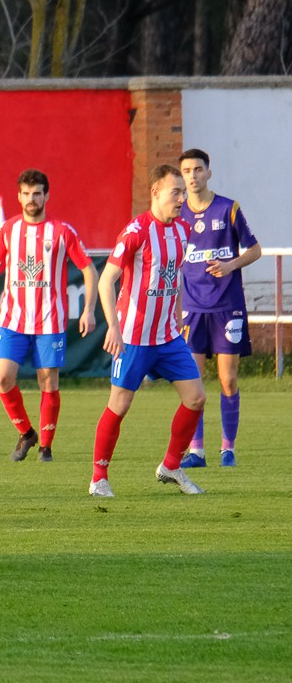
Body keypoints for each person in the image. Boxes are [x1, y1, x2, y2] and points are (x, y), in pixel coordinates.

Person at [88, 165, 206, 498]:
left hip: (168, 336)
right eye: (175, 192)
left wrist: (179, 312)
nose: (182, 198)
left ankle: (171, 466)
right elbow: (106, 280)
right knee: (119, 404)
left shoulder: (184, 230)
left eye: (183, 192)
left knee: (196, 398)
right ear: (156, 192)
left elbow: (175, 277)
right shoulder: (136, 231)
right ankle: (99, 477)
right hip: (134, 338)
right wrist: (113, 326)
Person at [0, 169, 98, 462]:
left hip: (50, 320)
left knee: (48, 381)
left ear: (46, 196)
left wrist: (89, 309)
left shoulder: (62, 231)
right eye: (26, 194)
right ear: (19, 196)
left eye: (37, 193)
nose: (31, 199)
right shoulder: (9, 230)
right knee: (2, 377)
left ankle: (46, 447)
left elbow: (89, 269)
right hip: (13, 320)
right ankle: (27, 432)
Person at [176, 148, 262, 468]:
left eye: (198, 169)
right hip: (193, 310)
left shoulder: (229, 209)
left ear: (208, 173)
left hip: (227, 306)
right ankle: (196, 451)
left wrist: (230, 265)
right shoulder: (178, 214)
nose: (193, 176)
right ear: (182, 177)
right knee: (193, 382)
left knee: (227, 379)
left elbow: (255, 250)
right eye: (187, 171)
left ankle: (228, 449)